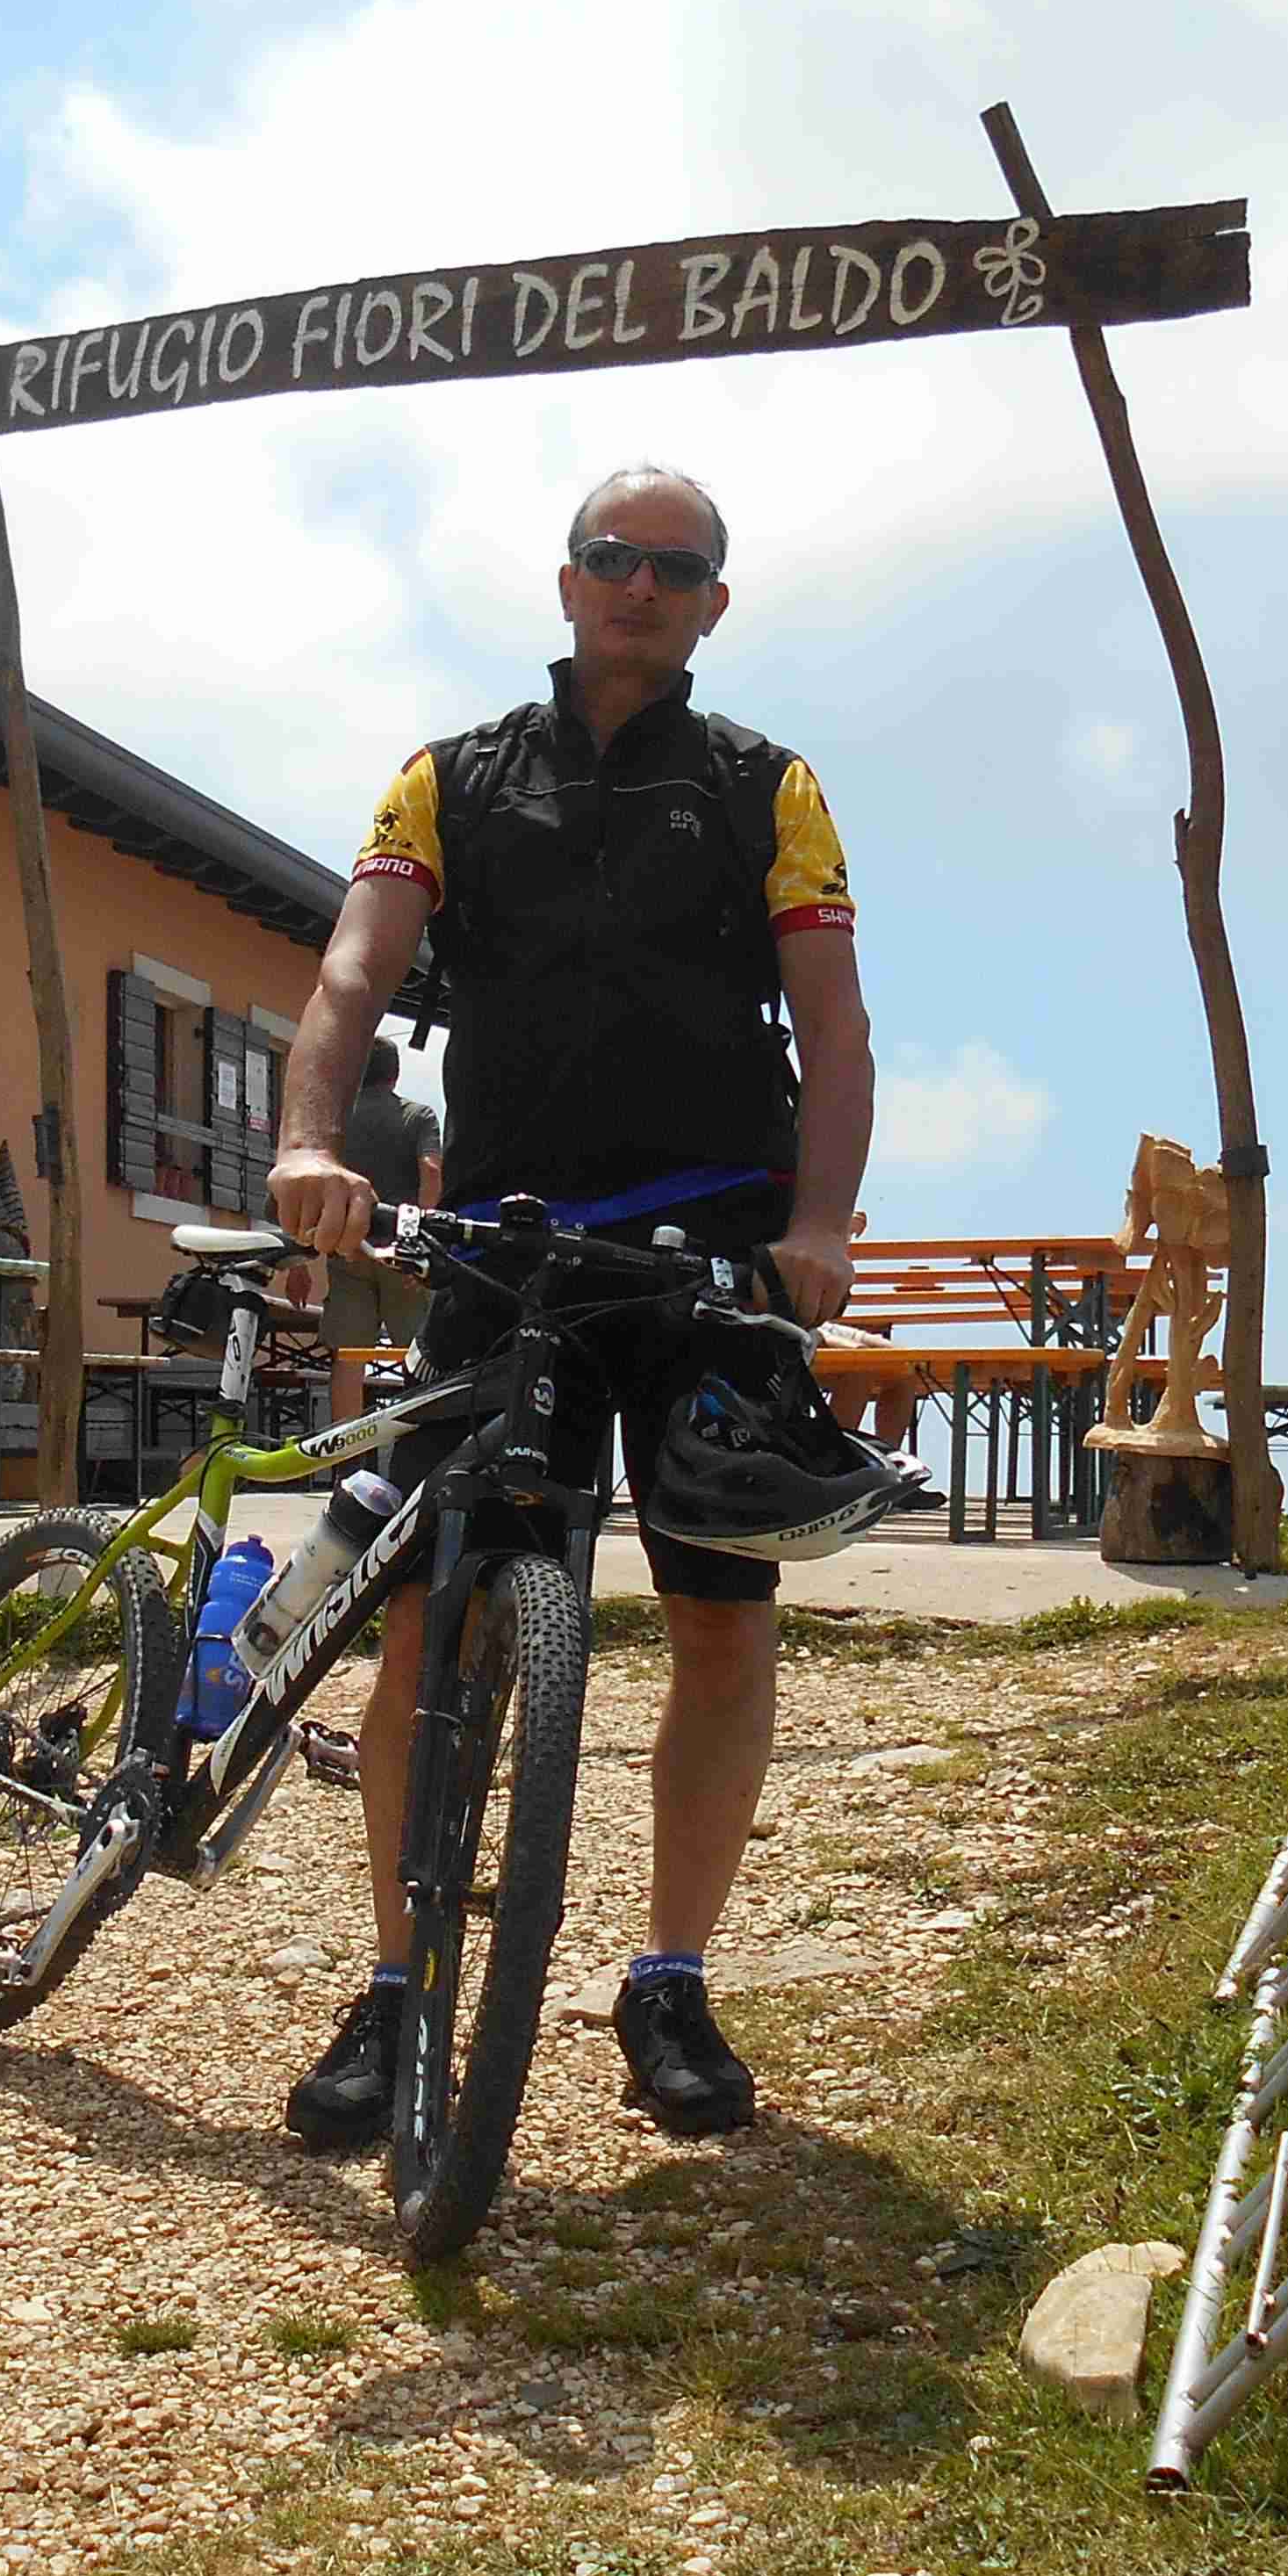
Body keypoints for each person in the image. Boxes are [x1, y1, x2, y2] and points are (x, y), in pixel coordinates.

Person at [263, 465, 874, 2145]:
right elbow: (350, 975)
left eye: (676, 567)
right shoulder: (449, 778)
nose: (639, 585)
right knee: (434, 1623)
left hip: (707, 1258)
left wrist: (818, 1222)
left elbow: (833, 1027)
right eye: (614, 557)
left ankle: (668, 1973)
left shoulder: (767, 785)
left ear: (712, 605)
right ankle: (396, 1988)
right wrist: (311, 1142)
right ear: (565, 578)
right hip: (507, 1249)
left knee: (716, 1616)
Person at [318, 1039, 442, 1393]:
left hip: (348, 1246)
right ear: (395, 1073)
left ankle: (344, 1446)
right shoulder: (418, 1116)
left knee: (347, 1356)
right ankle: (416, 1440)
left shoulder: (336, 1122)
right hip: (402, 1253)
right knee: (416, 1354)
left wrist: (299, 1262)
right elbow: (431, 1170)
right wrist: (421, 1237)